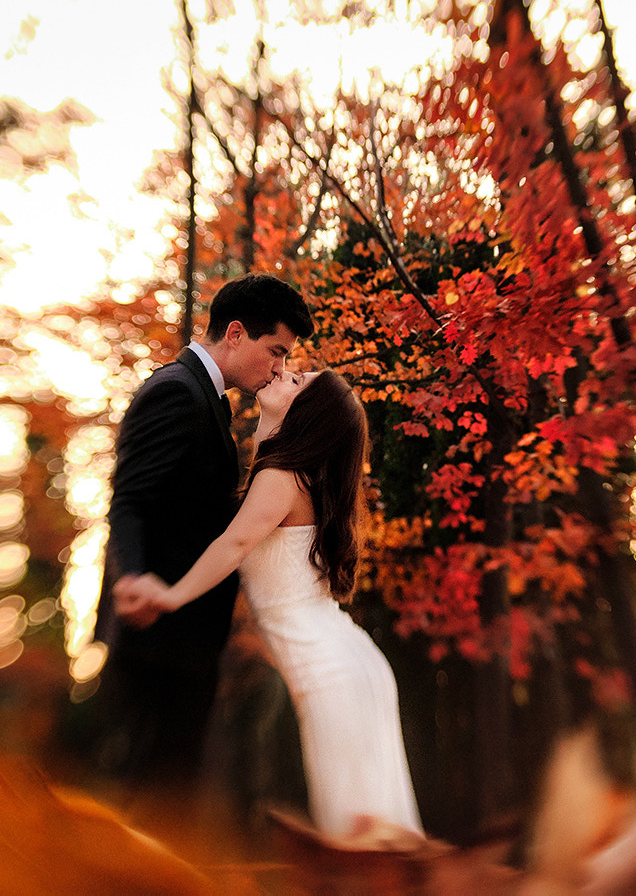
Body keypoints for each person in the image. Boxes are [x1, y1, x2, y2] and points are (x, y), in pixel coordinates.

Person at [114, 368, 422, 839]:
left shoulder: (282, 477)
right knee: (374, 831)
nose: (285, 372)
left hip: (331, 672)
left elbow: (234, 544)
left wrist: (171, 595)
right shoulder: (290, 472)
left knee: (356, 833)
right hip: (350, 661)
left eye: (298, 382)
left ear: (306, 413)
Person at [95, 274, 314, 787]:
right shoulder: (176, 391)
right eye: (276, 350)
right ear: (235, 333)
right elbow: (129, 497)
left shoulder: (208, 399)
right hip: (159, 637)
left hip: (185, 638)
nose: (280, 366)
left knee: (167, 793)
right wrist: (134, 577)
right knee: (150, 795)